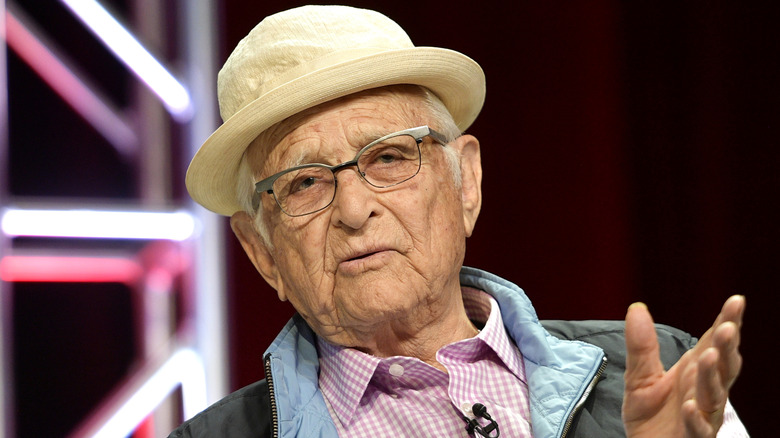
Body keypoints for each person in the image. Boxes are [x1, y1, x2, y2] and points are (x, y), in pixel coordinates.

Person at [172, 5, 747, 437]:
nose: (353, 210)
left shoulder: (666, 377)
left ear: (465, 181)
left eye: (389, 157)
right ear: (262, 252)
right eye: (303, 183)